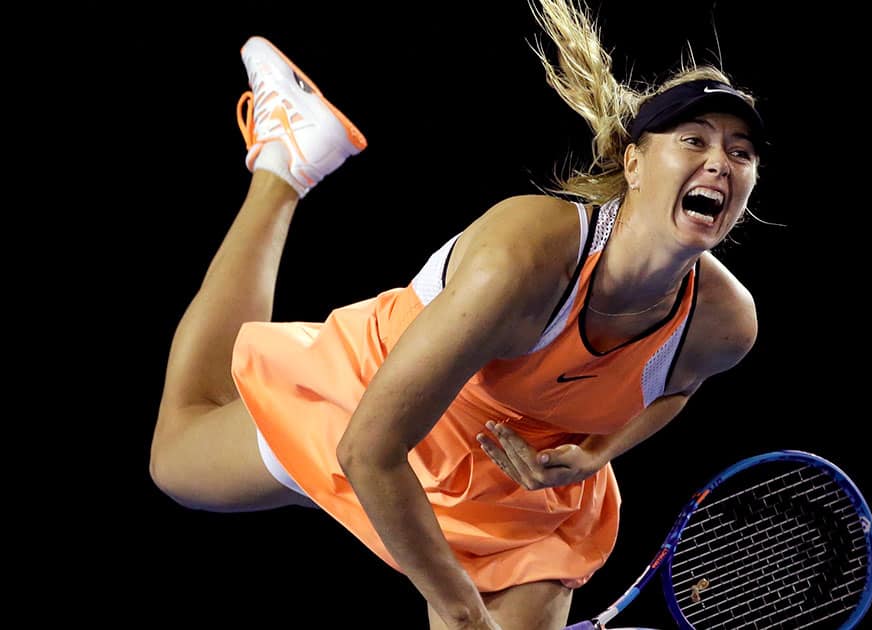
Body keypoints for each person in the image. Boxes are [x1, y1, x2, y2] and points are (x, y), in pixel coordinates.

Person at [149, 1, 765, 628]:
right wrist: (459, 610)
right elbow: (369, 448)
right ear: (633, 164)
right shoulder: (524, 259)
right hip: (381, 411)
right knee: (177, 461)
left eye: (741, 153)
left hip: (517, 490)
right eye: (694, 140)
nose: (720, 161)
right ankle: (287, 162)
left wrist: (597, 453)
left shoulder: (724, 325)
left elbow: (677, 388)